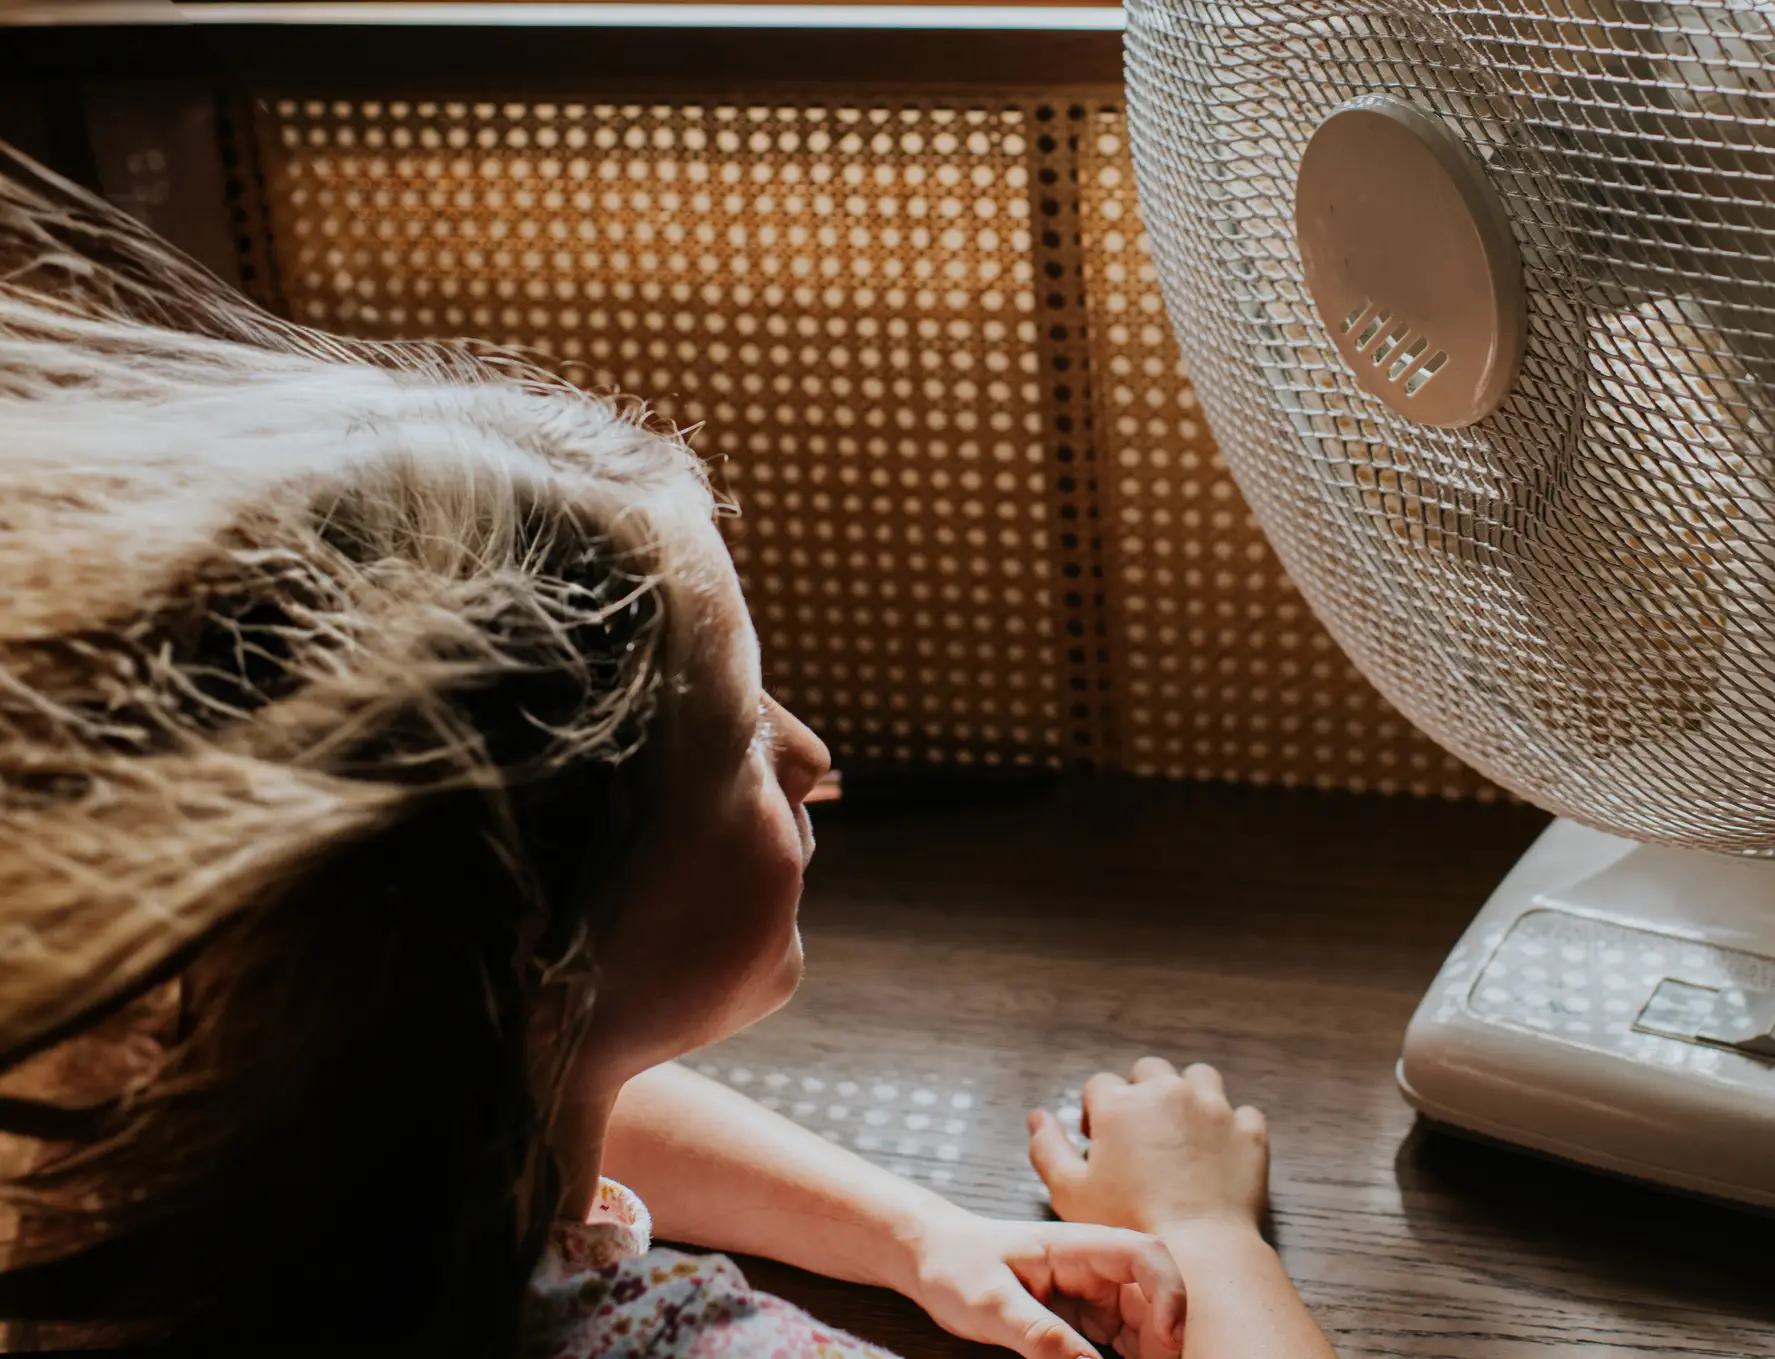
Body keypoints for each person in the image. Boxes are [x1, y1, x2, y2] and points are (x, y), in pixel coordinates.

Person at [0, 146, 1341, 1359]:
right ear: (537, 931)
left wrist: (910, 1229)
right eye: (743, 736)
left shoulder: (177, 1124)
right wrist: (1203, 1229)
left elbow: (501, 1070)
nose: (813, 757)